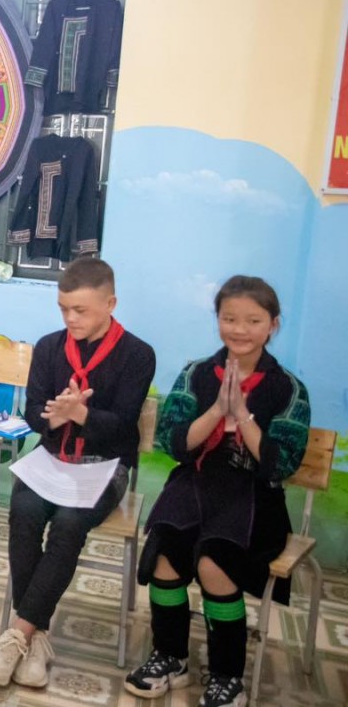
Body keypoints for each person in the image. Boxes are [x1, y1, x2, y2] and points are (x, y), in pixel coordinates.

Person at [125, 276, 309, 707]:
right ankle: (170, 655)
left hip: (254, 499)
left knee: (213, 561)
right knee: (166, 552)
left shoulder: (288, 390)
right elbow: (174, 444)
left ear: (272, 325)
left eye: (252, 320)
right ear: (218, 321)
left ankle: (228, 675)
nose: (239, 329)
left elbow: (282, 463)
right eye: (229, 318)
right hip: (195, 486)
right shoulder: (196, 374)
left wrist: (243, 416)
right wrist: (216, 410)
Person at [0, 257, 155, 688]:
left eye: (81, 310)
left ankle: (19, 634)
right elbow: (34, 413)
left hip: (105, 467)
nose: (70, 318)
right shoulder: (50, 346)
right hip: (52, 459)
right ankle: (37, 638)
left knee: (69, 525)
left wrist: (83, 414)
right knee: (24, 512)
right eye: (63, 309)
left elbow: (125, 426)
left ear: (110, 303)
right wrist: (56, 419)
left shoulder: (137, 354)